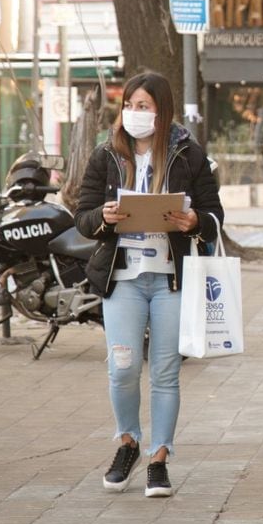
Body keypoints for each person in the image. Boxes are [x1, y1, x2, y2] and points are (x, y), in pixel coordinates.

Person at [75, 71, 224, 497]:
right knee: (122, 368)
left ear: (162, 111)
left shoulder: (188, 155)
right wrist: (102, 219)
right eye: (130, 105)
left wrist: (195, 221)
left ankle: (159, 457)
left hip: (170, 280)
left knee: (165, 371)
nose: (135, 114)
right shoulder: (107, 154)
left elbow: (214, 219)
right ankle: (128, 443)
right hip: (122, 279)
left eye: (144, 106)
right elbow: (82, 218)